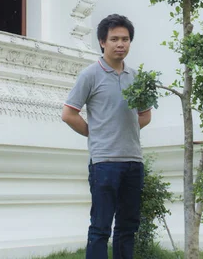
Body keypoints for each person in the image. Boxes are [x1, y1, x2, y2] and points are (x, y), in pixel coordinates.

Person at [62, 14, 152, 259]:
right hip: (104, 164)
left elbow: (145, 115)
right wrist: (96, 132)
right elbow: (68, 114)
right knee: (100, 228)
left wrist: (124, 130)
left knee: (128, 228)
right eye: (114, 39)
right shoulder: (90, 75)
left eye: (125, 39)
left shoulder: (137, 77)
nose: (120, 44)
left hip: (133, 162)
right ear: (102, 42)